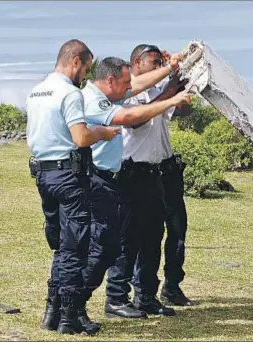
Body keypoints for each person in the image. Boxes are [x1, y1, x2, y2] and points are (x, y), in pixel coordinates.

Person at [80, 55, 191, 321]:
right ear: (136, 62)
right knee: (126, 239)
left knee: (153, 236)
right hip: (125, 174)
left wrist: (172, 71)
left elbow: (142, 87)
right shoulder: (105, 97)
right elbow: (133, 119)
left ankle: (146, 296)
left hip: (154, 173)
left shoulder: (123, 89)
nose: (131, 84)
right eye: (154, 62)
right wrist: (171, 95)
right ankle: (116, 297)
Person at [25, 39, 120, 335]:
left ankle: (52, 313)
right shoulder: (69, 93)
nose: (86, 77)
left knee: (60, 246)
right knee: (74, 248)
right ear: (75, 61)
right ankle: (69, 318)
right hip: (69, 177)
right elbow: (80, 138)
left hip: (44, 175)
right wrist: (102, 133)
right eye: (86, 69)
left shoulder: (37, 90)